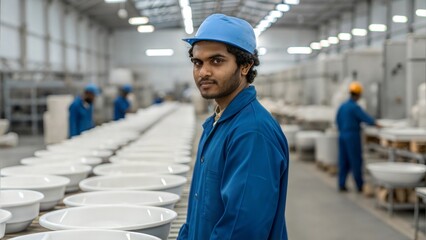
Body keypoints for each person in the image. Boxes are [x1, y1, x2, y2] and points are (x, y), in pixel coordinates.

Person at [178, 14, 289, 240]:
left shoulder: (251, 132)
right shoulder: (217, 123)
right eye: (198, 62)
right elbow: (199, 209)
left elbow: (241, 229)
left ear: (246, 65)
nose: (203, 72)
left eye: (217, 61)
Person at [336, 81, 381, 192]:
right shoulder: (355, 107)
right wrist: (376, 123)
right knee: (355, 160)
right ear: (358, 94)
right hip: (352, 136)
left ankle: (341, 184)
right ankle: (359, 185)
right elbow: (366, 118)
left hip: (342, 135)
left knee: (343, 160)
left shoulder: (342, 106)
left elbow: (337, 120)